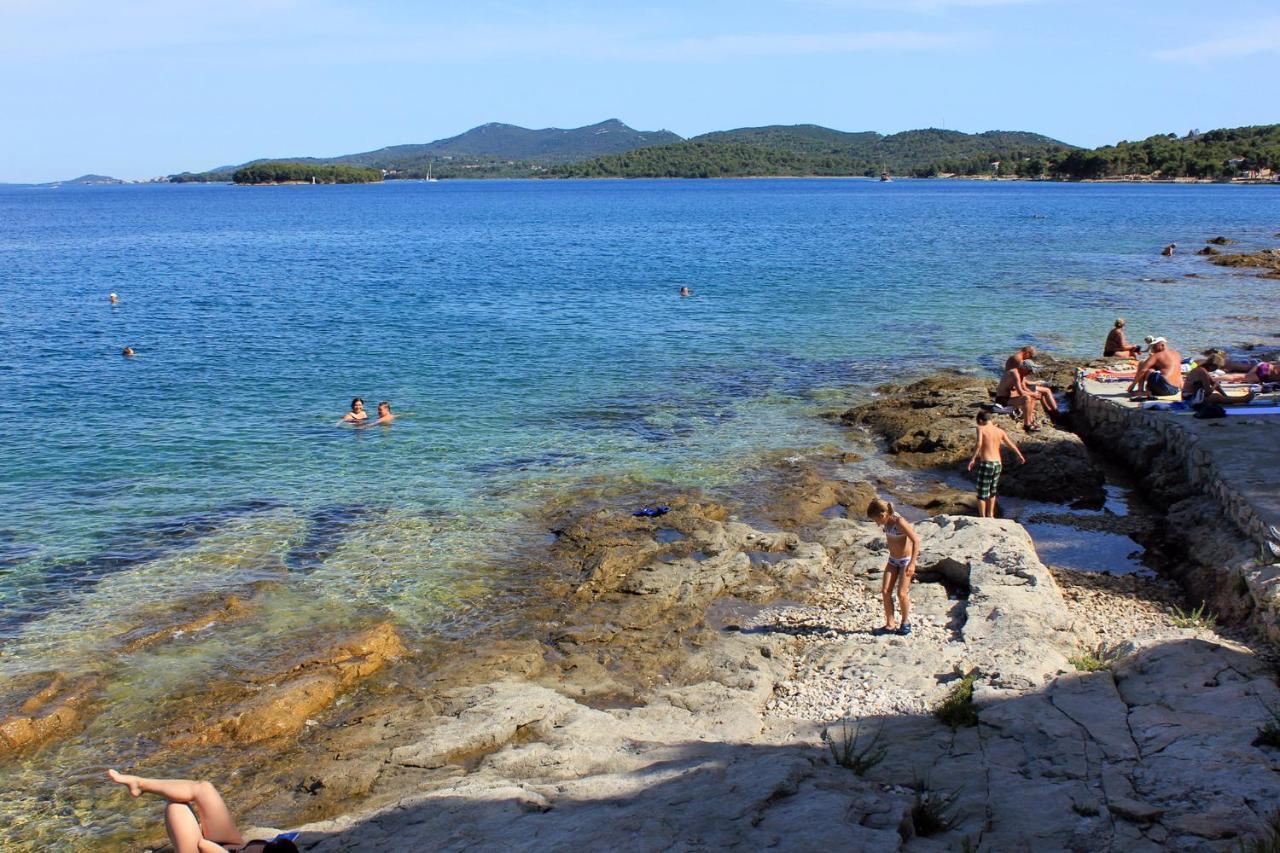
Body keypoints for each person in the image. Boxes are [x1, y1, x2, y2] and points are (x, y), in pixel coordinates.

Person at [107, 769, 298, 853]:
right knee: (204, 788)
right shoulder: (268, 849)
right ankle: (140, 783)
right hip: (228, 843)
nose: (265, 844)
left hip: (200, 848)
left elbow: (204, 846)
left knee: (177, 807)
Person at [866, 498, 921, 637]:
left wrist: (912, 563)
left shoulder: (899, 522)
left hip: (905, 561)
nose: (876, 523)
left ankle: (905, 623)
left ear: (882, 515)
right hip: (892, 560)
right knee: (885, 591)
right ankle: (890, 624)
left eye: (875, 520)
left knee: (902, 594)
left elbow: (916, 540)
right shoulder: (886, 522)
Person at [968, 411, 1026, 518]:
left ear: (980, 420)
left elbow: (979, 443)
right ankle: (991, 515)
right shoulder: (1000, 431)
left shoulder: (980, 428)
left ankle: (983, 517)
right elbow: (1010, 444)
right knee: (992, 491)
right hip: (998, 464)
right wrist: (1019, 454)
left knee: (981, 493)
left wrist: (973, 459)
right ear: (990, 419)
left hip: (987, 463)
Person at [1004, 346, 1059, 418]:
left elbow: (1021, 379)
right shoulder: (1019, 361)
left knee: (1042, 389)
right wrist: (1030, 391)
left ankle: (1049, 411)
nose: (1030, 358)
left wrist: (1035, 383)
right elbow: (1020, 381)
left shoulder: (1015, 358)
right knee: (1047, 390)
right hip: (1015, 389)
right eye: (1031, 356)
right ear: (1027, 353)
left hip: (1015, 386)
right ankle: (1055, 412)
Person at [1183, 353, 1258, 405]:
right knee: (1216, 397)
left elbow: (1213, 383)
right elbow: (1208, 392)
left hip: (1189, 396)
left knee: (1219, 396)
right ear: (1212, 366)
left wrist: (1225, 396)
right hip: (1190, 399)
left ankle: (1229, 399)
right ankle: (1243, 399)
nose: (1216, 369)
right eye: (1217, 368)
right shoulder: (1203, 372)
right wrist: (1215, 385)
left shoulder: (1201, 369)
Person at [994, 362, 1042, 432]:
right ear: (1024, 368)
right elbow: (1021, 392)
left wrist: (1034, 394)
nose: (1030, 373)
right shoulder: (1015, 373)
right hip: (1002, 400)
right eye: (1030, 371)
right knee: (1026, 398)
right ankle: (1027, 425)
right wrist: (1033, 393)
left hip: (1009, 398)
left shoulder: (1021, 373)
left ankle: (1030, 420)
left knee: (1032, 397)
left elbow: (1025, 388)